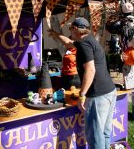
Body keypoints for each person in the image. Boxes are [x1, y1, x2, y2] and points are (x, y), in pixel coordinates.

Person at [48, 17, 116, 149]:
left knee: (95, 136)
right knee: (105, 133)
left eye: (71, 28)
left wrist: (82, 95)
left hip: (98, 95)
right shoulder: (88, 41)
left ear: (75, 29)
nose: (70, 31)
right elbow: (68, 43)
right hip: (109, 91)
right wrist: (57, 35)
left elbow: (90, 69)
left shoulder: (84, 44)